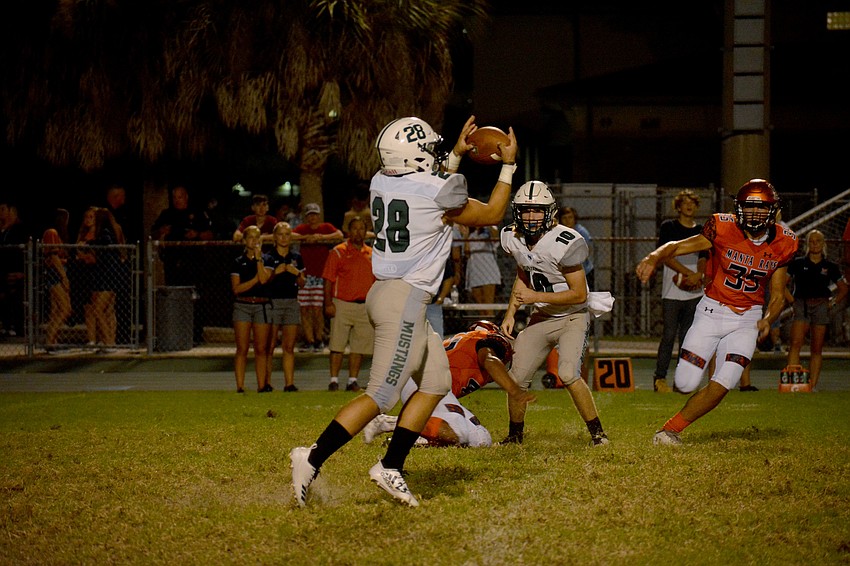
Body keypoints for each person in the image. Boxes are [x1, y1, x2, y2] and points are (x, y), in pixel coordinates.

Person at [290, 114, 518, 508]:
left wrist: (455, 157)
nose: (435, 155)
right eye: (428, 149)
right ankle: (311, 457)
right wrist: (509, 165)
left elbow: (430, 188)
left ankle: (391, 465)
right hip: (405, 299)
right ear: (414, 156)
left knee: (435, 381)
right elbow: (492, 213)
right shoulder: (436, 190)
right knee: (381, 394)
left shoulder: (381, 181)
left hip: (391, 292)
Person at [636, 179, 798, 445]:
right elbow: (678, 245)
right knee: (686, 384)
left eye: (761, 207)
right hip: (711, 312)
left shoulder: (785, 242)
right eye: (749, 207)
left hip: (748, 318)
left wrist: (768, 319)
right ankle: (688, 381)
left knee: (725, 381)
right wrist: (653, 256)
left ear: (773, 210)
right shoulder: (722, 226)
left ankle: (669, 431)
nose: (755, 213)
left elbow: (778, 295)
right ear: (739, 208)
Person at [500, 181, 613, 446]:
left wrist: (535, 297)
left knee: (568, 373)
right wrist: (510, 313)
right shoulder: (512, 237)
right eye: (526, 210)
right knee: (516, 378)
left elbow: (579, 294)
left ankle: (598, 434)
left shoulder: (565, 241)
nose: (531, 217)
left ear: (549, 212)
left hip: (572, 316)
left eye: (537, 210)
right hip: (542, 316)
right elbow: (523, 273)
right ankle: (515, 436)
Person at [363, 321, 536, 447]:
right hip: (427, 382)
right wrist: (515, 390)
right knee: (458, 432)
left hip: (427, 384)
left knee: (481, 438)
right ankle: (388, 423)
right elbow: (490, 360)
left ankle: (419, 439)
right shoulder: (489, 340)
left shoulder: (466, 342)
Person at [651, 190, 708, 393]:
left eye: (693, 203)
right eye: (685, 203)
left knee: (688, 337)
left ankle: (682, 381)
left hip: (695, 291)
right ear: (678, 206)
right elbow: (665, 256)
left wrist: (698, 275)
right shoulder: (669, 227)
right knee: (668, 335)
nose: (689, 206)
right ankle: (660, 378)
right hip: (672, 291)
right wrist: (687, 274)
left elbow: (704, 256)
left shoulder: (701, 230)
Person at [784, 230, 848, 390]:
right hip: (801, 304)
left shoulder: (830, 266)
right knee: (796, 343)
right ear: (807, 244)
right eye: (811, 241)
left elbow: (843, 288)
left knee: (817, 347)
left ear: (823, 243)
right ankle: (792, 383)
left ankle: (811, 386)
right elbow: (781, 284)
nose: (814, 244)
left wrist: (832, 303)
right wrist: (792, 301)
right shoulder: (797, 263)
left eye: (818, 241)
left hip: (821, 305)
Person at [151, 185, 213, 343]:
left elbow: (209, 234)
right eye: (174, 197)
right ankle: (176, 333)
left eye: (179, 197)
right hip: (172, 264)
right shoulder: (167, 214)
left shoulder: (197, 213)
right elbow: (154, 233)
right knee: (174, 297)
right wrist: (161, 231)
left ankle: (196, 334)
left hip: (194, 264)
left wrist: (196, 234)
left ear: (186, 197)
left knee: (194, 299)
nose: (177, 200)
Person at [322, 217, 376, 392]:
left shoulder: (372, 254)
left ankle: (352, 380)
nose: (358, 232)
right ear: (348, 231)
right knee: (337, 344)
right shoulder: (338, 252)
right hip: (342, 304)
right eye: (354, 228)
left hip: (364, 305)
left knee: (359, 346)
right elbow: (328, 280)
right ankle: (333, 380)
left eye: (361, 229)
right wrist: (328, 303)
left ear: (366, 232)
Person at [292, 202, 343, 353]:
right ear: (306, 217)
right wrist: (306, 237)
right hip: (305, 274)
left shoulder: (325, 227)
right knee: (304, 308)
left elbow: (339, 234)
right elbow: (291, 234)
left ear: (318, 215)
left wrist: (321, 237)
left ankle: (319, 339)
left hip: (320, 275)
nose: (312, 218)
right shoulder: (302, 229)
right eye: (310, 215)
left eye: (315, 214)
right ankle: (309, 340)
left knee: (317, 309)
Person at [230, 225, 273, 393]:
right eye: (250, 237)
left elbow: (263, 279)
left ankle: (261, 385)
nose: (254, 241)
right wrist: (254, 280)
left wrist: (259, 260)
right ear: (244, 240)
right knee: (242, 348)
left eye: (257, 238)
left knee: (261, 349)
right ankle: (240, 386)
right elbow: (237, 289)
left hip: (262, 306)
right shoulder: (237, 262)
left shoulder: (267, 260)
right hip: (243, 306)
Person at [264, 221, 305, 392]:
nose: (284, 238)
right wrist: (276, 272)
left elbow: (303, 282)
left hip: (291, 302)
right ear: (274, 237)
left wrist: (297, 274)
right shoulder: (268, 257)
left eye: (287, 234)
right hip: (273, 302)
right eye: (280, 234)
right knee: (270, 345)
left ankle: (289, 383)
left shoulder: (296, 257)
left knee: (289, 346)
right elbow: (263, 281)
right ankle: (266, 383)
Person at [42, 208, 72, 349]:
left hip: (58, 271)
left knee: (56, 309)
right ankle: (49, 341)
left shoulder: (57, 234)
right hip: (55, 273)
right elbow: (53, 257)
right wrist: (64, 277)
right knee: (65, 308)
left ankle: (53, 341)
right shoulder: (52, 232)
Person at [0, 202, 28, 338]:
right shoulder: (4, 230)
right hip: (4, 271)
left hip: (16, 270)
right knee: (5, 298)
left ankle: (17, 327)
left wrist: (23, 272)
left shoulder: (19, 229)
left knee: (17, 299)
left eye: (3, 210)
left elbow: (22, 252)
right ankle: (6, 325)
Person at [460, 224, 502, 316]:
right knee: (480, 308)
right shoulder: (472, 235)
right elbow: (467, 253)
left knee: (488, 306)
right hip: (474, 272)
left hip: (489, 272)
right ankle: (483, 324)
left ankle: (491, 325)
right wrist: (466, 236)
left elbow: (496, 237)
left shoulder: (488, 232)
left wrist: (487, 223)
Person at [558, 206, 595, 290]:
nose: (567, 220)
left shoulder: (581, 231)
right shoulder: (559, 231)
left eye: (570, 217)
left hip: (584, 270)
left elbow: (586, 251)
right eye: (564, 218)